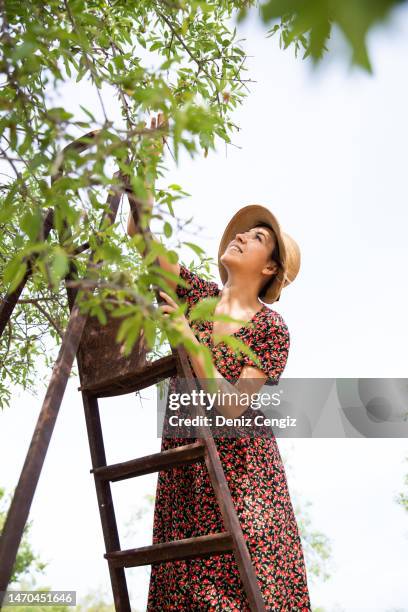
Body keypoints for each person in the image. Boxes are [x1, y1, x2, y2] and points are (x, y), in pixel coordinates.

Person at [127, 119, 311, 610]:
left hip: (243, 473)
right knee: (185, 590)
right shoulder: (198, 294)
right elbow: (141, 238)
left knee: (246, 590)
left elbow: (232, 409)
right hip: (187, 463)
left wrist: (189, 338)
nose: (240, 238)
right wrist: (147, 160)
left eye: (255, 238)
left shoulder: (272, 329)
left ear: (269, 268)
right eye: (241, 233)